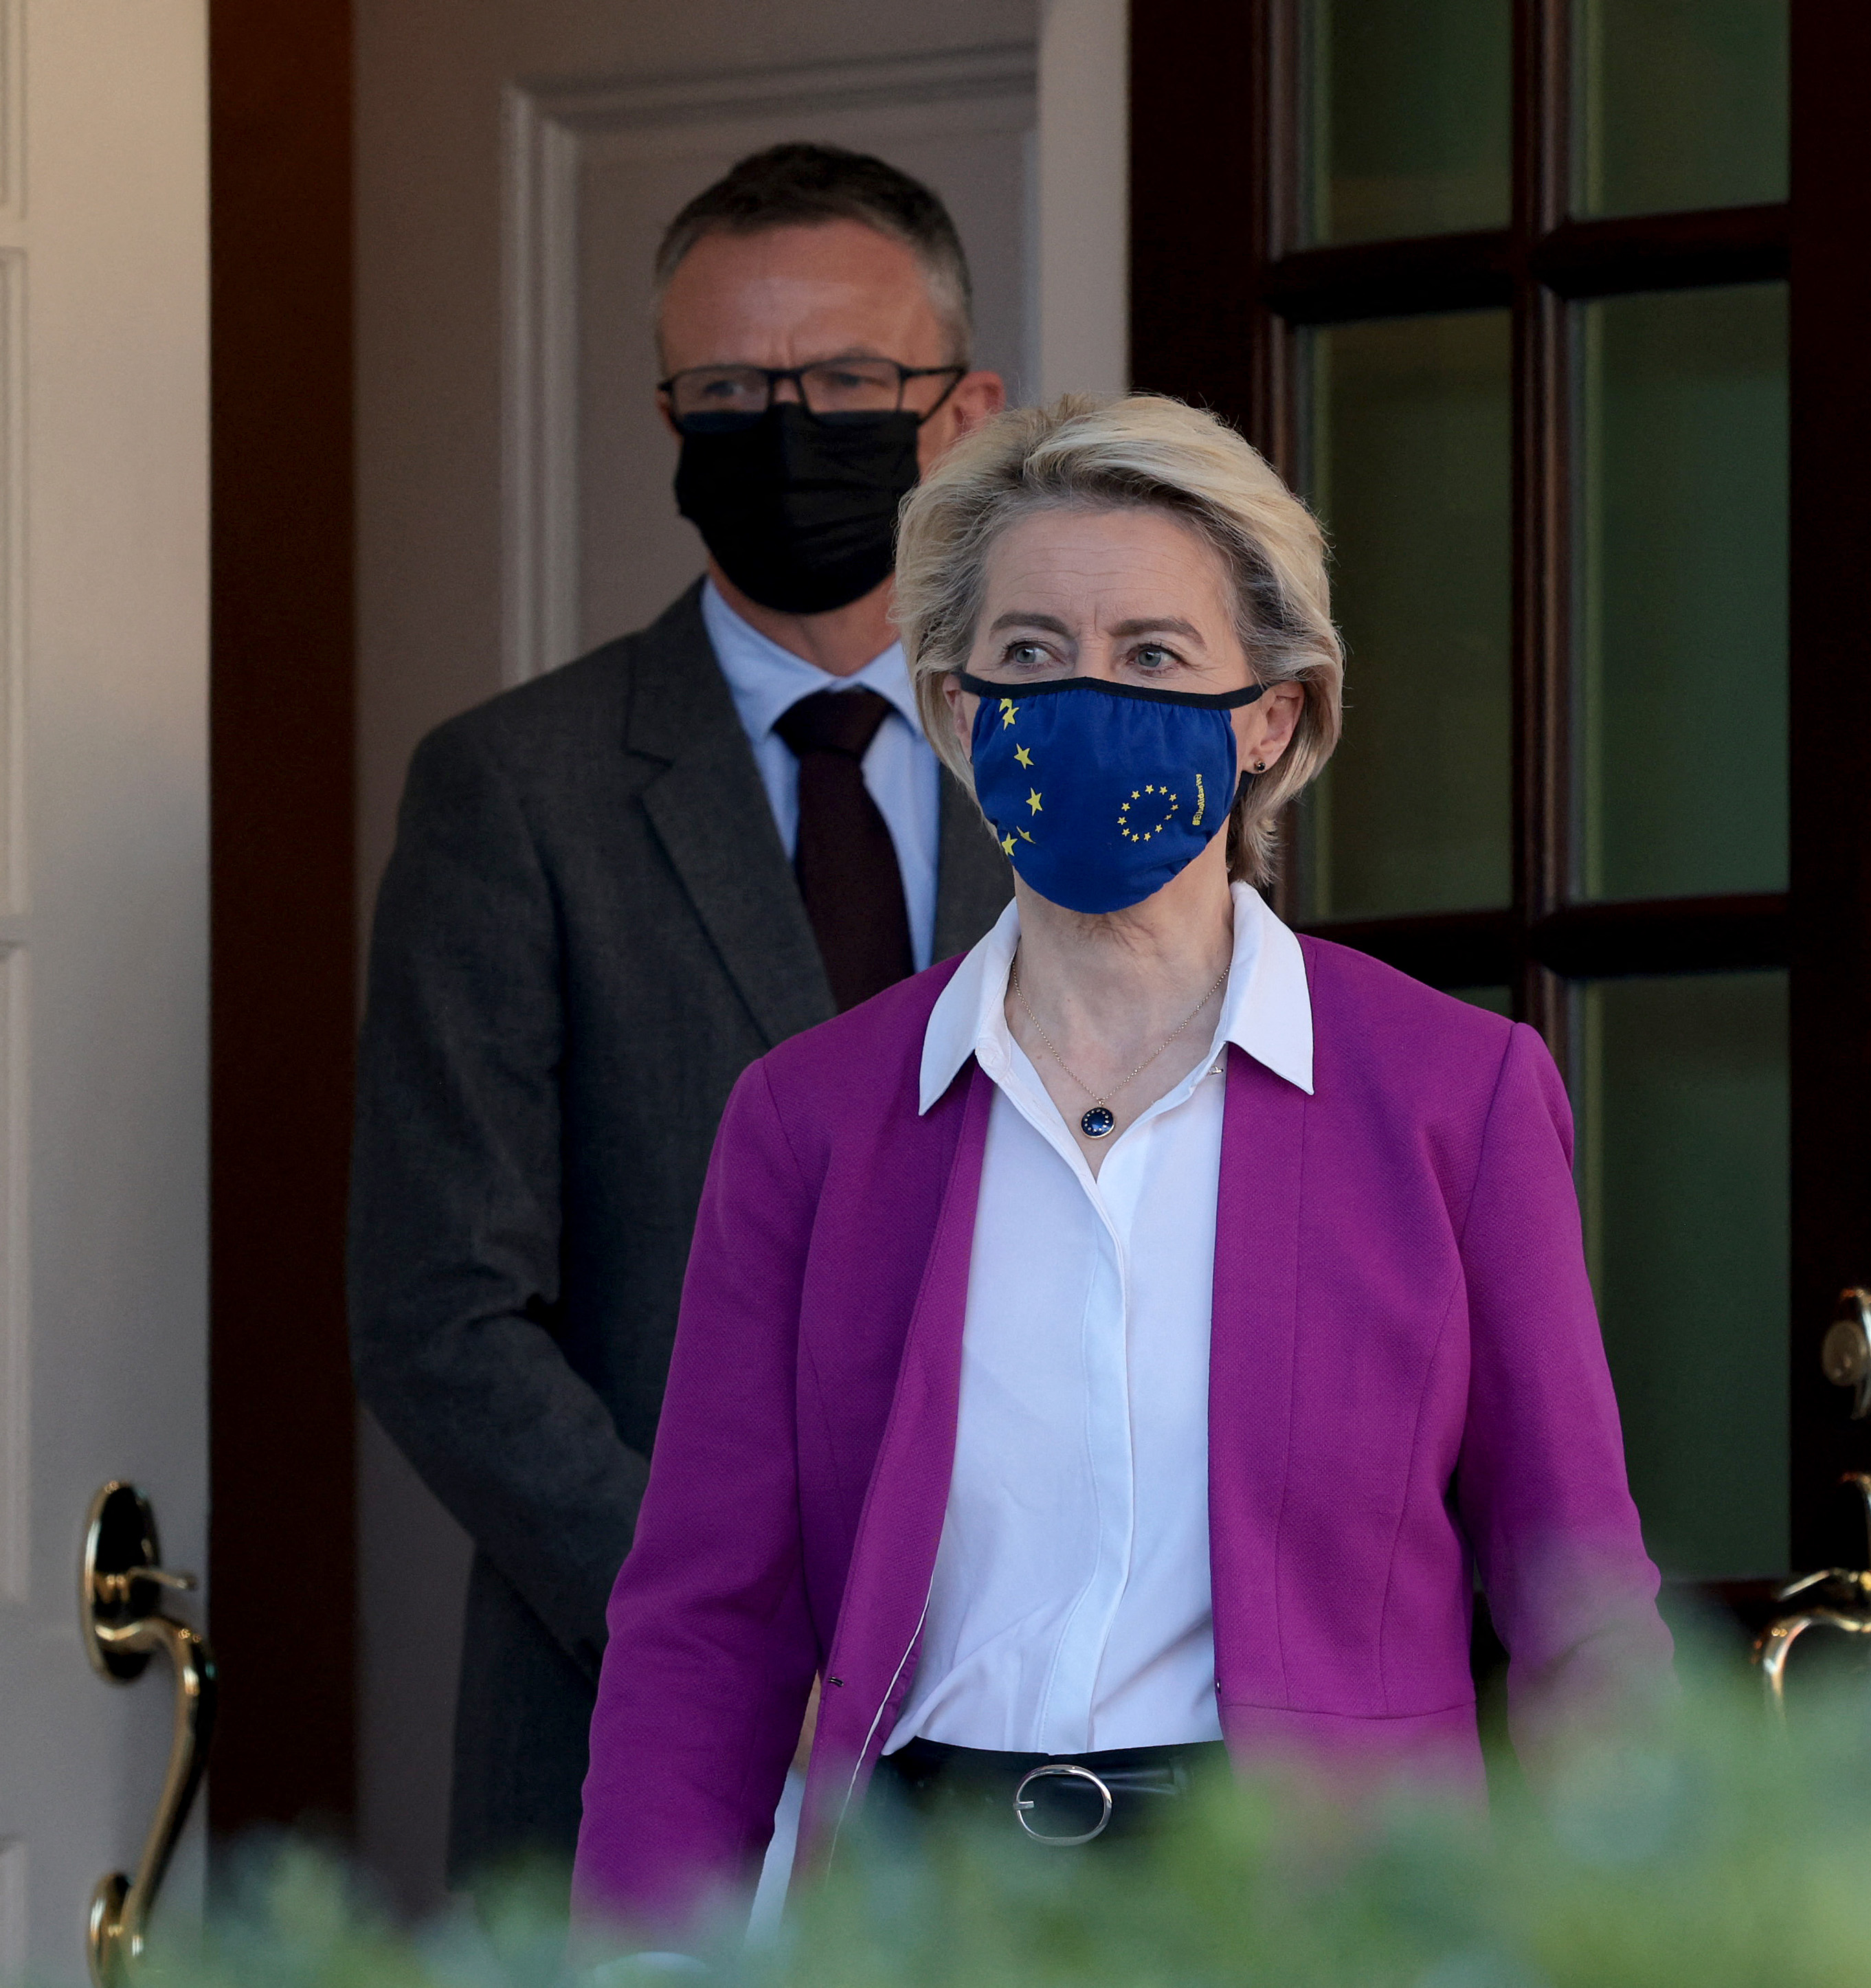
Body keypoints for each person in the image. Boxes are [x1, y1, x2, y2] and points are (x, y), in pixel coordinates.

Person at [571, 393, 1672, 1923]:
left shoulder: (1452, 1095)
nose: (1085, 702)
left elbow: (1575, 1596)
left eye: (1153, 656)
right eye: (1029, 656)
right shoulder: (810, 1117)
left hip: (1314, 1922)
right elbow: (708, 1618)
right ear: (957, 712)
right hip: (922, 1913)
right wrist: (640, 1961)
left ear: (1270, 716)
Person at [350, 142, 1012, 1881]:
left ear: (961, 412)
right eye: (730, 388)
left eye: (849, 383)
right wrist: (723, 1635)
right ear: (668, 416)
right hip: (642, 1733)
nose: (786, 428)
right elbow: (443, 1315)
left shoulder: (1075, 769)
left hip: (1055, 1715)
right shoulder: (514, 790)